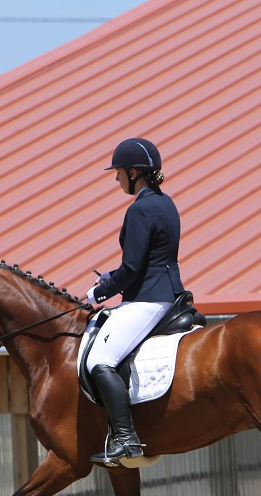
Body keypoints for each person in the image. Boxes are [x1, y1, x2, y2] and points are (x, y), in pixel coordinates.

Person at [85, 137, 186, 466]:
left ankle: (126, 439)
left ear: (133, 172)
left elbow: (131, 269)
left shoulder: (140, 209)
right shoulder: (167, 203)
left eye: (118, 173)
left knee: (99, 360)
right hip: (169, 292)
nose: (116, 179)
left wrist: (100, 291)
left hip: (148, 299)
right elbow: (148, 262)